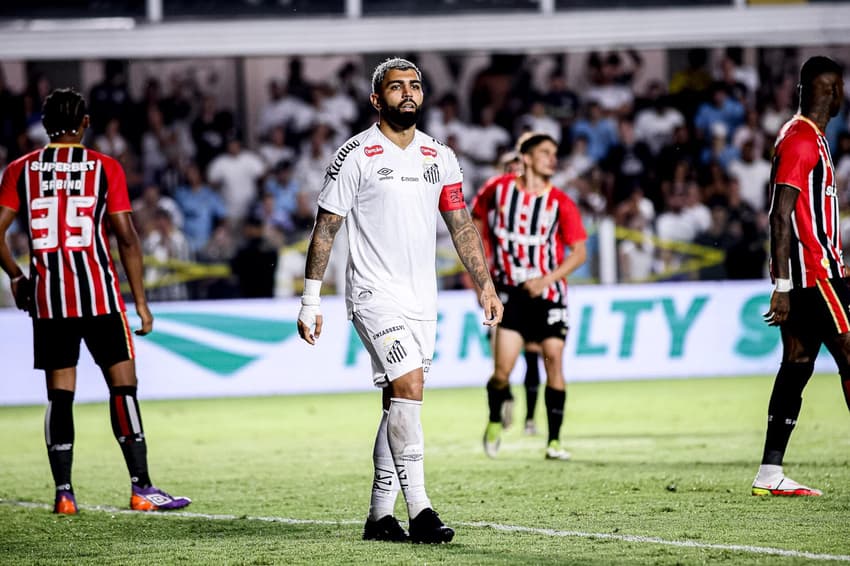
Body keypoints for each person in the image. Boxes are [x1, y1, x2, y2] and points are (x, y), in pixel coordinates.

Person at [296, 58, 503, 544]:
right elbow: (326, 227)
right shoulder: (357, 154)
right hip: (373, 293)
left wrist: (485, 285)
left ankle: (378, 517)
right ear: (376, 99)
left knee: (398, 403)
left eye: (415, 85)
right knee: (409, 385)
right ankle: (422, 510)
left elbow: (461, 225)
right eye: (396, 87)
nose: (407, 93)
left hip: (421, 298)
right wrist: (311, 298)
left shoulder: (440, 156)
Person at [0, 88, 191, 515]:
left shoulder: (20, 169)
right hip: (100, 297)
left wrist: (16, 275)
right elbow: (126, 237)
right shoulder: (105, 167)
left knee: (59, 397)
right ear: (85, 123)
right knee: (123, 389)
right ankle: (141, 487)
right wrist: (141, 302)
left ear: (44, 125)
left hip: (50, 301)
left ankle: (64, 493)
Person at [756, 56, 848, 497]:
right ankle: (769, 471)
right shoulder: (801, 140)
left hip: (808, 276)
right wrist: (782, 285)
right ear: (832, 91)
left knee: (796, 364)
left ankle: (769, 473)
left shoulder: (808, 137)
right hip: (819, 272)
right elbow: (780, 216)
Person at [471, 131, 587, 461]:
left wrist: (546, 279)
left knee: (554, 362)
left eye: (554, 153)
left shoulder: (560, 202)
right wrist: (484, 262)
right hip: (510, 293)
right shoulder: (499, 189)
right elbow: (473, 220)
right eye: (546, 152)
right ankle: (495, 419)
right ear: (527, 158)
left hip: (550, 295)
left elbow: (579, 253)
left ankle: (553, 441)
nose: (553, 158)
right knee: (501, 373)